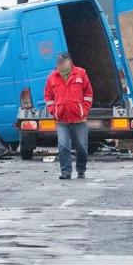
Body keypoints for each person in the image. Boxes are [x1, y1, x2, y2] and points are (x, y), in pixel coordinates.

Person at [44, 52, 93, 180]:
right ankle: (66, 172)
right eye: (59, 62)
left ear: (70, 62)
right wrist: (53, 110)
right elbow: (48, 96)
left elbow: (88, 92)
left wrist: (84, 108)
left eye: (63, 62)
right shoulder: (52, 77)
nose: (61, 64)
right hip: (62, 119)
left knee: (82, 146)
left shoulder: (81, 73)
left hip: (79, 119)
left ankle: (81, 170)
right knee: (63, 146)